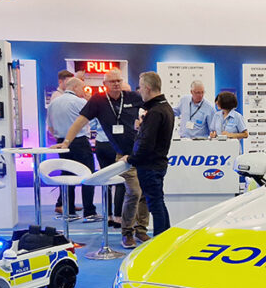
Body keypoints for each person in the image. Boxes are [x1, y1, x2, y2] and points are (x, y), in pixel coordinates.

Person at [54, 68, 150, 248]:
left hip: (140, 152)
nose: (116, 84)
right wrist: (66, 142)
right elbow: (80, 121)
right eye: (112, 81)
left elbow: (152, 110)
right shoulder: (98, 101)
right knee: (134, 192)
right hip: (123, 156)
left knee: (145, 192)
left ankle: (141, 229)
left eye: (118, 81)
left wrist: (144, 121)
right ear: (104, 84)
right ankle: (127, 232)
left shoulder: (131, 97)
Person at [45, 76, 99, 222]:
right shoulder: (80, 102)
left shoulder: (53, 103)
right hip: (79, 141)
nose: (83, 91)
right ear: (75, 88)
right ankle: (89, 211)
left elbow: (50, 126)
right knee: (88, 175)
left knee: (67, 175)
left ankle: (69, 211)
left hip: (61, 142)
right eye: (82, 88)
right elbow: (93, 121)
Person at [128, 71, 175, 238]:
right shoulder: (165, 107)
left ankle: (161, 240)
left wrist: (132, 158)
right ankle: (165, 237)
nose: (139, 91)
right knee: (158, 203)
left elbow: (147, 142)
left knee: (155, 204)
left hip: (150, 165)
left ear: (147, 88)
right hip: (157, 164)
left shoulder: (156, 112)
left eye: (140, 88)